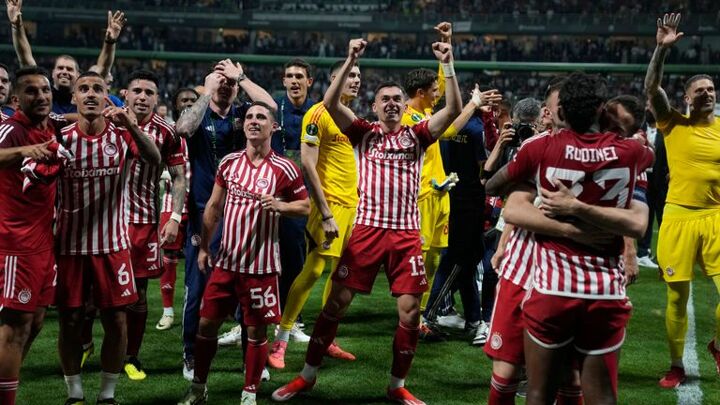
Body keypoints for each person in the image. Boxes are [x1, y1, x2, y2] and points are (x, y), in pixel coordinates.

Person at [271, 37, 462, 404]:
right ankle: (306, 376)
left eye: (397, 99)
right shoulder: (363, 133)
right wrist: (349, 59)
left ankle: (397, 386)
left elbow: (453, 107)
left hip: (406, 235)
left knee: (410, 314)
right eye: (384, 99)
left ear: (405, 106)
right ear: (374, 107)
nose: (391, 103)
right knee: (335, 303)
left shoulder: (418, 135)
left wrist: (448, 63)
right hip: (367, 231)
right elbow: (330, 104)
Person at [486, 72, 654, 405]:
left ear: (560, 111)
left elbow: (493, 186)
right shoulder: (633, 152)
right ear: (601, 110)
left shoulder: (540, 149)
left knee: (544, 388)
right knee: (593, 391)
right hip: (599, 287)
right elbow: (637, 221)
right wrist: (581, 223)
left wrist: (571, 209)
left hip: (551, 285)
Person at [177, 102, 310, 405]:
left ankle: (249, 392)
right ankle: (198, 387)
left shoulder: (285, 167)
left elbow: (305, 206)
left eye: (261, 117)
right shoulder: (229, 163)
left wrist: (280, 206)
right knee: (206, 325)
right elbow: (213, 207)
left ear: (273, 127)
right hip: (226, 261)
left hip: (261, 267)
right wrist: (203, 248)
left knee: (255, 331)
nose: (253, 121)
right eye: (249, 117)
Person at [55, 71, 161, 405]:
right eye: (83, 89)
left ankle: (107, 395)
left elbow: (154, 158)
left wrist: (131, 124)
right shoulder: (60, 138)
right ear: (74, 97)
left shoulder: (121, 136)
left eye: (97, 89)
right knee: (71, 320)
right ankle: (74, 393)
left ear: (108, 97)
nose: (90, 94)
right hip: (69, 246)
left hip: (113, 246)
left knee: (116, 320)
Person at [175, 60, 276, 381]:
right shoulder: (199, 112)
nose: (226, 86)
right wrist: (206, 91)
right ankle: (191, 354)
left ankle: (251, 359)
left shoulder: (244, 113)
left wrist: (240, 77)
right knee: (198, 289)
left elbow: (271, 107)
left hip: (242, 218)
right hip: (204, 216)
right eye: (221, 81)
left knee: (247, 291)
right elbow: (183, 129)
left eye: (230, 83)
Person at [268, 59, 361, 370]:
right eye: (349, 75)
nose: (355, 80)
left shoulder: (352, 119)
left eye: (358, 76)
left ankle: (326, 338)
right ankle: (281, 339)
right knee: (313, 270)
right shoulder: (318, 114)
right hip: (328, 205)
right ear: (334, 79)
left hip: (352, 206)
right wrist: (324, 211)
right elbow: (308, 163)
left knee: (341, 275)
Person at [644, 13, 720, 388]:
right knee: (677, 298)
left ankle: (717, 346)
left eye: (711, 89)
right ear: (687, 99)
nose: (707, 93)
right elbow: (651, 87)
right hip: (678, 217)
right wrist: (661, 49)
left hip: (716, 216)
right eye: (699, 90)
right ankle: (676, 365)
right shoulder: (672, 122)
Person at [0, 66, 66, 405]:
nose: (40, 96)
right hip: (15, 243)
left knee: (37, 320)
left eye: (45, 90)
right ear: (16, 99)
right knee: (16, 327)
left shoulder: (51, 126)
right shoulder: (11, 129)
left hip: (43, 243)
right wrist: (24, 151)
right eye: (31, 91)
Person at [122, 70, 187, 380]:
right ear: (125, 94)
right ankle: (86, 344)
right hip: (105, 221)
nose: (143, 97)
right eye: (137, 90)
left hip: (142, 222)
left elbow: (179, 177)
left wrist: (174, 217)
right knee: (94, 295)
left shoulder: (167, 131)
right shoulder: (109, 122)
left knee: (137, 294)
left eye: (149, 92)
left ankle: (130, 357)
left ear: (157, 98)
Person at [7, 0, 125, 117]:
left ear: (78, 75)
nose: (64, 71)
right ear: (53, 73)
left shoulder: (84, 97)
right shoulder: (43, 95)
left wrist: (110, 42)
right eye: (60, 68)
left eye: (69, 69)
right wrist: (16, 26)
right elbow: (25, 58)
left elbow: (103, 67)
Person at [156, 88, 199, 331]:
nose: (189, 104)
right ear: (176, 105)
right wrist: (164, 174)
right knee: (169, 258)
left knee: (199, 259)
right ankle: (168, 311)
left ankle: (197, 308)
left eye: (193, 101)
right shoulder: (169, 133)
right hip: (171, 204)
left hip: (199, 205)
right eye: (184, 100)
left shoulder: (207, 134)